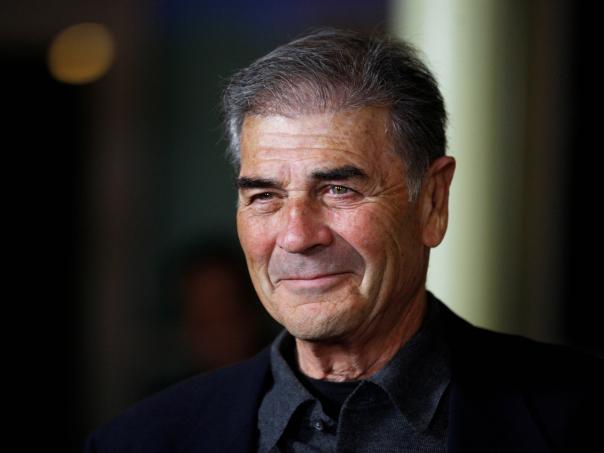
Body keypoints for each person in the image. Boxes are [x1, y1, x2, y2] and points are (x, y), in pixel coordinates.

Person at [84, 28, 603, 453]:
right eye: (265, 195)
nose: (296, 236)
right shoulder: (137, 442)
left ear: (432, 202)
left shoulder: (586, 419)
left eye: (338, 190)